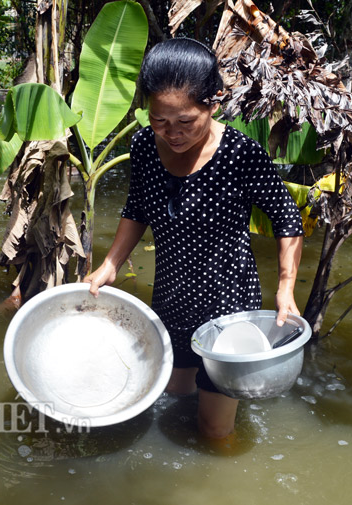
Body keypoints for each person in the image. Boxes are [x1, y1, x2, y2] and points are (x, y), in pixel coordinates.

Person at [84, 38, 303, 439]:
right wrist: (110, 264)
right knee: (172, 398)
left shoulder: (241, 154)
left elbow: (287, 217)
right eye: (159, 120)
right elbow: (137, 208)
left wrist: (286, 287)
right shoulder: (145, 147)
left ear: (213, 103)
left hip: (229, 310)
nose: (172, 133)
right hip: (171, 299)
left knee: (213, 427)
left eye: (185, 121)